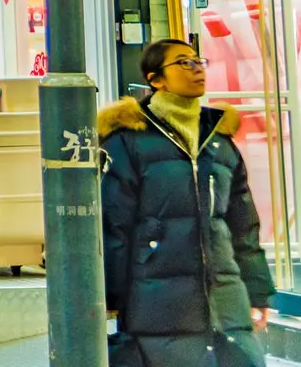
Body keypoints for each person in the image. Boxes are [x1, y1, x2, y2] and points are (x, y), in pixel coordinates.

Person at [101, 38, 274, 367]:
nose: (197, 69)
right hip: (157, 302)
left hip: (225, 298)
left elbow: (242, 225)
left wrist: (256, 289)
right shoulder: (129, 141)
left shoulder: (219, 142)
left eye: (199, 61)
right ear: (156, 79)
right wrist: (111, 297)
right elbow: (114, 226)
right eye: (183, 62)